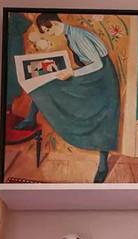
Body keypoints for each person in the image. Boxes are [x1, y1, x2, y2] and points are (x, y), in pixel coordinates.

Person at [14, 12, 121, 183]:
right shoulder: (70, 34)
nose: (49, 35)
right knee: (45, 84)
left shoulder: (78, 36)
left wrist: (72, 73)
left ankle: (103, 165)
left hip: (101, 80)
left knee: (103, 120)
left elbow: (97, 64)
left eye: (47, 30)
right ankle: (30, 118)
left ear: (54, 24)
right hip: (92, 74)